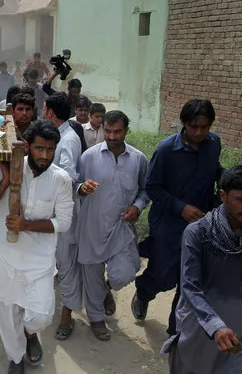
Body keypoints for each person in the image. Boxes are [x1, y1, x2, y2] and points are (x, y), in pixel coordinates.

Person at [0, 120, 74, 374]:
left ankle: (31, 334)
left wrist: (25, 225)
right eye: (40, 148)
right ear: (28, 146)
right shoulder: (7, 170)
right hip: (4, 256)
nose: (44, 155)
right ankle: (16, 357)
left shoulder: (61, 179)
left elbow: (63, 223)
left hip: (39, 259)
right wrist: (5, 182)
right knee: (7, 314)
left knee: (40, 316)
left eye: (50, 149)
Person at [162, 166, 242, 374]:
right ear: (223, 196)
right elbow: (190, 287)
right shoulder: (199, 233)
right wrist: (215, 326)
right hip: (204, 322)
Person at [133, 99, 225, 336]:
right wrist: (180, 207)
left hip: (200, 225)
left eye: (205, 127)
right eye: (194, 127)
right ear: (184, 124)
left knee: (189, 281)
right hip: (167, 224)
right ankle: (144, 291)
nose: (199, 132)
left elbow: (215, 171)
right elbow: (152, 187)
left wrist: (229, 180)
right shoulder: (166, 150)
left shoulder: (213, 144)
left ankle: (176, 334)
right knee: (164, 275)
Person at [76, 111, 148, 341]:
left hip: (121, 228)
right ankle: (96, 319)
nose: (112, 136)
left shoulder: (138, 159)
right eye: (108, 131)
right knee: (92, 276)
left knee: (125, 273)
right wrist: (81, 187)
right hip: (92, 226)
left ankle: (108, 288)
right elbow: (73, 183)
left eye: (117, 131)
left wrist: (137, 207)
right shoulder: (88, 156)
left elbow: (146, 190)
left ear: (127, 130)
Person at [42, 94, 83, 341]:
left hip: (63, 212)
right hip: (54, 211)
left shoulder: (67, 140)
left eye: (44, 109)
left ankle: (67, 315)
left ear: (50, 113)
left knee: (67, 264)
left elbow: (68, 176)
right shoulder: (62, 134)